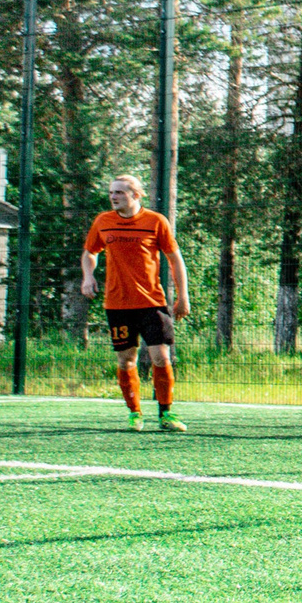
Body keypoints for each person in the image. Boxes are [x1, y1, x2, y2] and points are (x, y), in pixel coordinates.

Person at [80, 174, 188, 432]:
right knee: (126, 360)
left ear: (136, 195)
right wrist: (88, 276)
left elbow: (175, 259)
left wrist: (183, 296)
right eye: (111, 193)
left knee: (161, 358)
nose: (114, 197)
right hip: (117, 304)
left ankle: (166, 414)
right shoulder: (103, 222)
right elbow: (90, 252)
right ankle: (135, 413)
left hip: (152, 302)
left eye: (119, 192)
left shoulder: (155, 221)